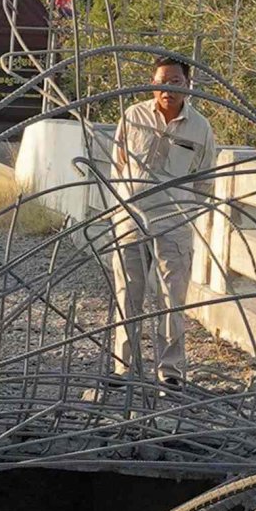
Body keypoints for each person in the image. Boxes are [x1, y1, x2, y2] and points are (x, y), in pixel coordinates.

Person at [103, 56, 219, 384]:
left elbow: (205, 179)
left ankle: (171, 373)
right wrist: (123, 207)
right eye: (161, 82)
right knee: (129, 295)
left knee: (172, 299)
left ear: (187, 85)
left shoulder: (200, 127)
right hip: (130, 221)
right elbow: (119, 164)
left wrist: (186, 212)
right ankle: (124, 369)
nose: (166, 89)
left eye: (175, 82)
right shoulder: (133, 116)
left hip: (175, 224)